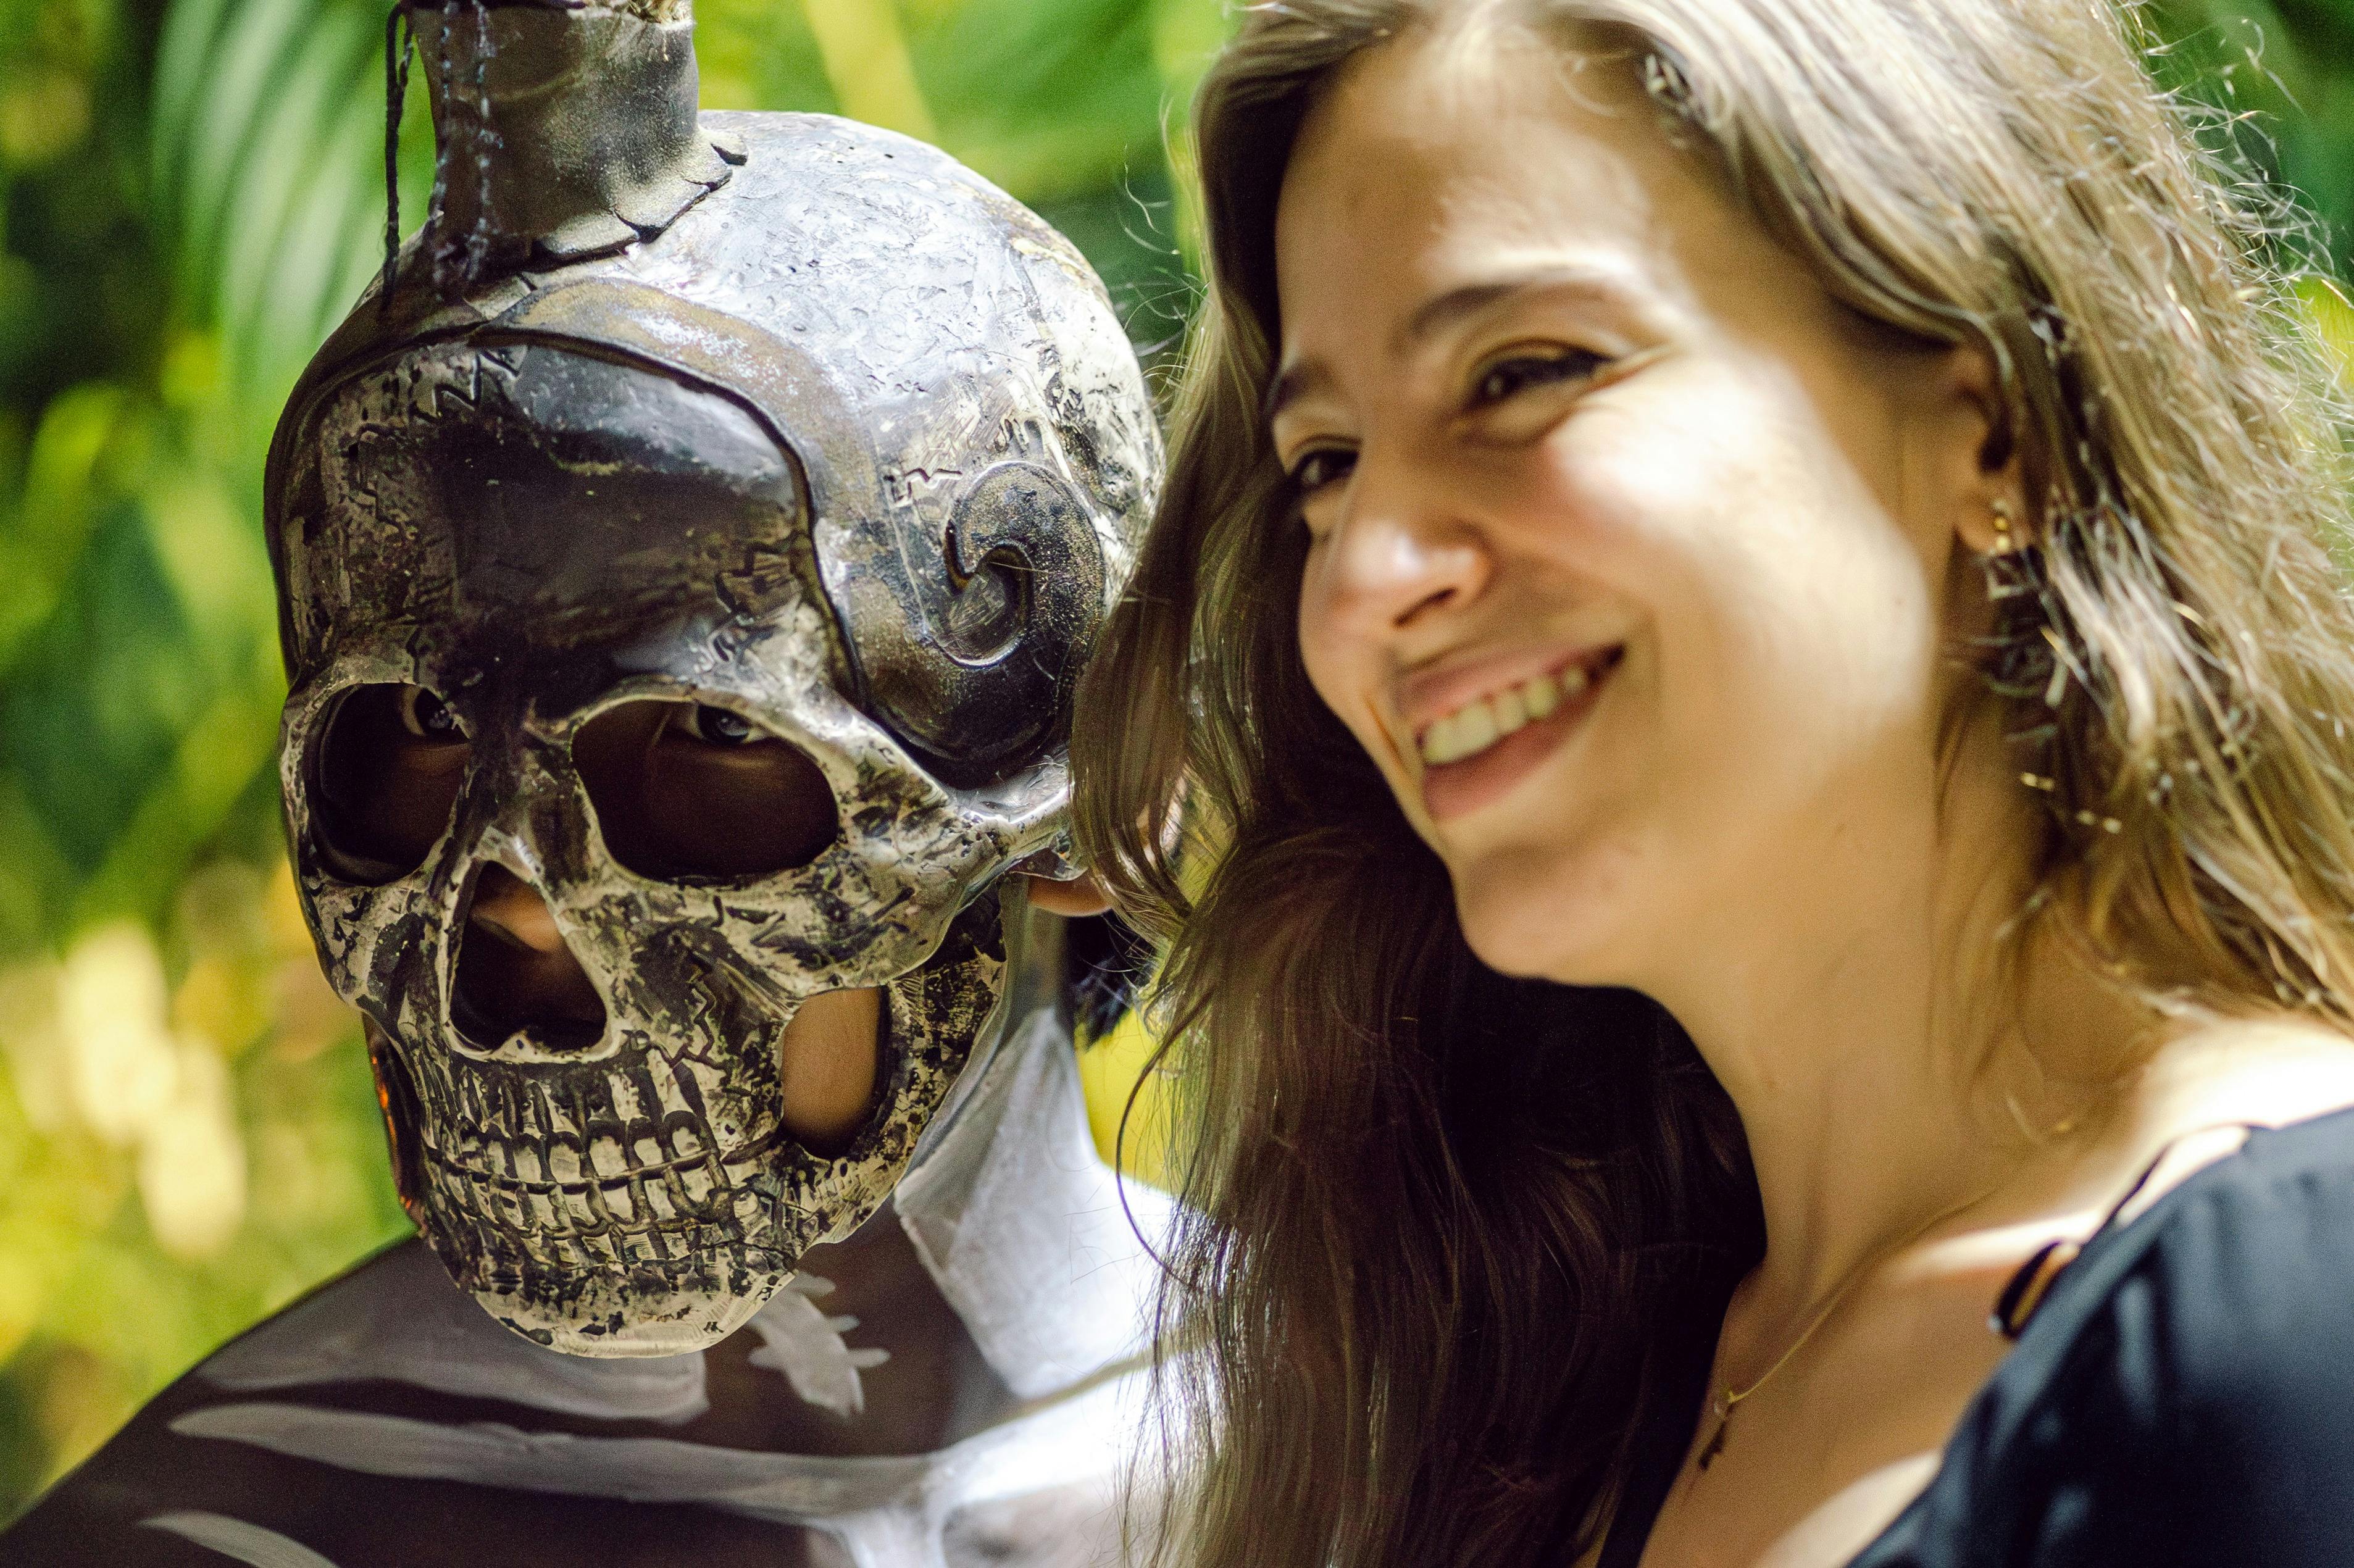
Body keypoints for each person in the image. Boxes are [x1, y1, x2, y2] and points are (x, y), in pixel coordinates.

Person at [1071, 1, 2354, 1564]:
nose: (1357, 591)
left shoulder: (2292, 1318)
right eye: (1325, 465)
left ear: (1998, 427)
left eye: (1521, 372)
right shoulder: (1543, 1370)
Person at [2, 2, 1171, 1563]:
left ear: (1083, 808)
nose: (515, 942)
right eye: (410, 723)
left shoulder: (1435, 1437)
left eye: (709, 739)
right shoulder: (206, 1536)